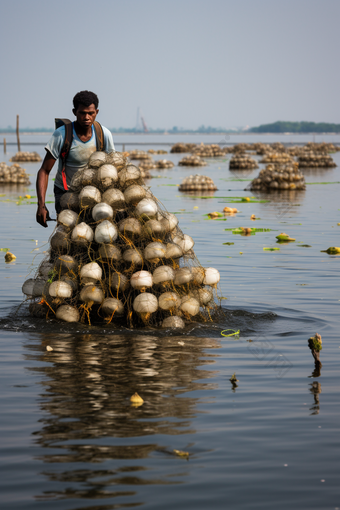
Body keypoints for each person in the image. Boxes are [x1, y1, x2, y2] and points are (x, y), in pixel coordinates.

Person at [36, 90, 115, 227]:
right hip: (66, 192)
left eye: (91, 113)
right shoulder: (61, 135)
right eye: (82, 113)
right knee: (67, 236)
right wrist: (41, 205)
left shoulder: (104, 134)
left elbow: (113, 168)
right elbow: (44, 171)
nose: (86, 117)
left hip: (94, 193)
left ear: (96, 112)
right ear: (74, 112)